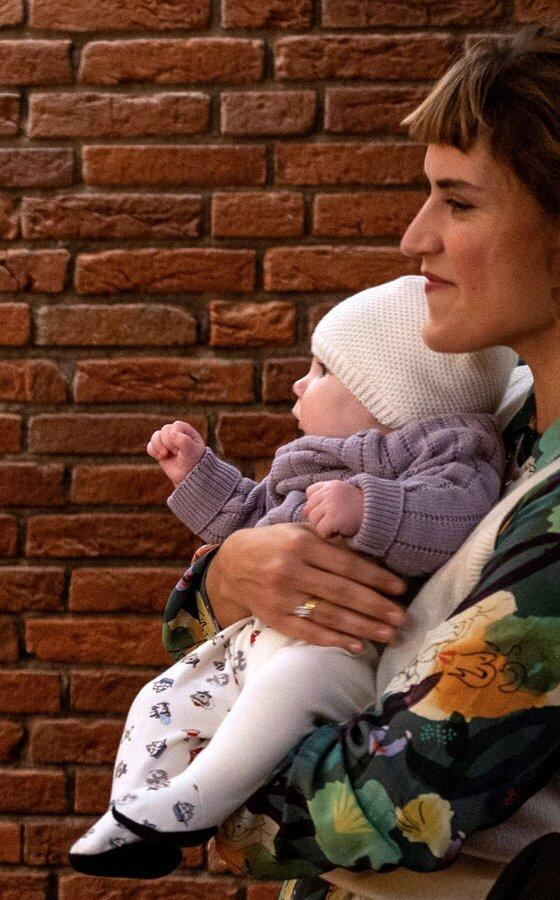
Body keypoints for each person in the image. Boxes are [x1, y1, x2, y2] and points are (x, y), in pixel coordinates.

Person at [149, 23, 560, 899]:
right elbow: (212, 616)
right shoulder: (503, 420)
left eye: (459, 202)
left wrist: (200, 791)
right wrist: (229, 574)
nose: (416, 238)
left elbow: (389, 804)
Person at [70, 275, 515, 878]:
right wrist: (198, 474)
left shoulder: (449, 446)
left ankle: (195, 801)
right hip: (254, 640)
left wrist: (370, 508)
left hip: (340, 649)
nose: (300, 384)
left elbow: (455, 511)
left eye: (322, 371)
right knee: (160, 698)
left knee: (280, 698)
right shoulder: (312, 460)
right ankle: (133, 812)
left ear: (392, 399)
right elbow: (253, 519)